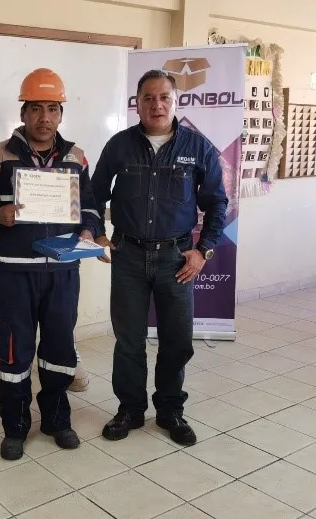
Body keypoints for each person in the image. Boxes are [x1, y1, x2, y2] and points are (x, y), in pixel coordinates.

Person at [0, 68, 103, 460]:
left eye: (53, 109)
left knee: (60, 350)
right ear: (24, 112)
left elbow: (91, 207)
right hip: (15, 271)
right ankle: (15, 427)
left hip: (63, 271)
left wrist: (90, 231)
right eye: (37, 108)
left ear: (61, 114)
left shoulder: (77, 158)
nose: (45, 118)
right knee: (13, 354)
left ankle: (57, 421)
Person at [91, 69, 228, 446]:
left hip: (176, 260)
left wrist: (203, 250)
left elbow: (217, 203)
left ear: (175, 101)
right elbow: (93, 194)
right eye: (148, 98)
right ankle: (130, 409)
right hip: (128, 257)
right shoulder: (119, 146)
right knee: (128, 340)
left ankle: (170, 410)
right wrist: (97, 231)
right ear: (137, 104)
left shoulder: (198, 147)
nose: (157, 105)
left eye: (164, 97)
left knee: (177, 340)